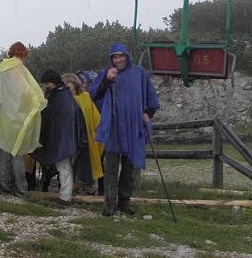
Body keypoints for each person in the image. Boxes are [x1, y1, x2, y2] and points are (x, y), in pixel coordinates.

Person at [90, 43, 160, 216]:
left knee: (130, 169)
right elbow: (94, 95)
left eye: (121, 56)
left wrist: (148, 113)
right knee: (111, 169)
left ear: (127, 56)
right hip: (114, 129)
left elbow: (151, 97)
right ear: (111, 59)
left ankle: (125, 202)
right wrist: (107, 80)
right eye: (114, 57)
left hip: (134, 127)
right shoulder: (106, 74)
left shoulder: (140, 73)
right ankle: (109, 205)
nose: (118, 59)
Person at [0, 41, 47, 195]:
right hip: (16, 118)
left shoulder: (0, 72)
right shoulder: (19, 69)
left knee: (4, 153)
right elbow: (28, 93)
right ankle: (21, 188)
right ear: (23, 54)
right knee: (16, 154)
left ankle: (5, 184)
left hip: (2, 118)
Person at [33, 70, 91, 204]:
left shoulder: (61, 97)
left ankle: (65, 197)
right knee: (63, 167)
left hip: (63, 139)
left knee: (63, 167)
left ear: (53, 82)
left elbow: (59, 118)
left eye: (48, 83)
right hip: (65, 138)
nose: (46, 86)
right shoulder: (62, 95)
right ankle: (65, 195)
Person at [62, 73, 103, 192]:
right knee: (71, 162)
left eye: (68, 82)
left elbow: (95, 117)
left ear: (74, 83)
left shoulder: (85, 97)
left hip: (87, 137)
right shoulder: (64, 99)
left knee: (89, 162)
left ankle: (89, 187)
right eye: (63, 83)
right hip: (70, 137)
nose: (66, 85)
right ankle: (72, 187)